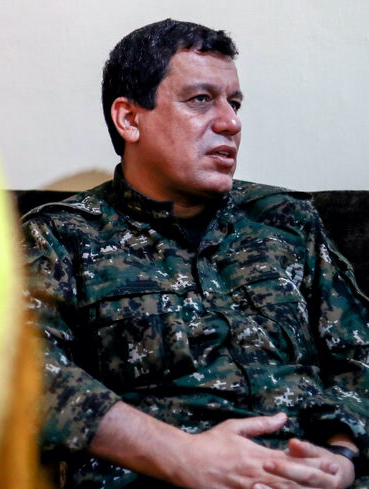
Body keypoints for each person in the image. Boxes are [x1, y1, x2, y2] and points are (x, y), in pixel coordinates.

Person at [22, 19, 369, 489]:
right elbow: (19, 374)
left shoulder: (286, 219)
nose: (230, 122)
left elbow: (359, 353)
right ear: (129, 118)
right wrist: (181, 455)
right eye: (201, 100)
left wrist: (341, 453)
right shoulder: (62, 236)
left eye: (235, 103)